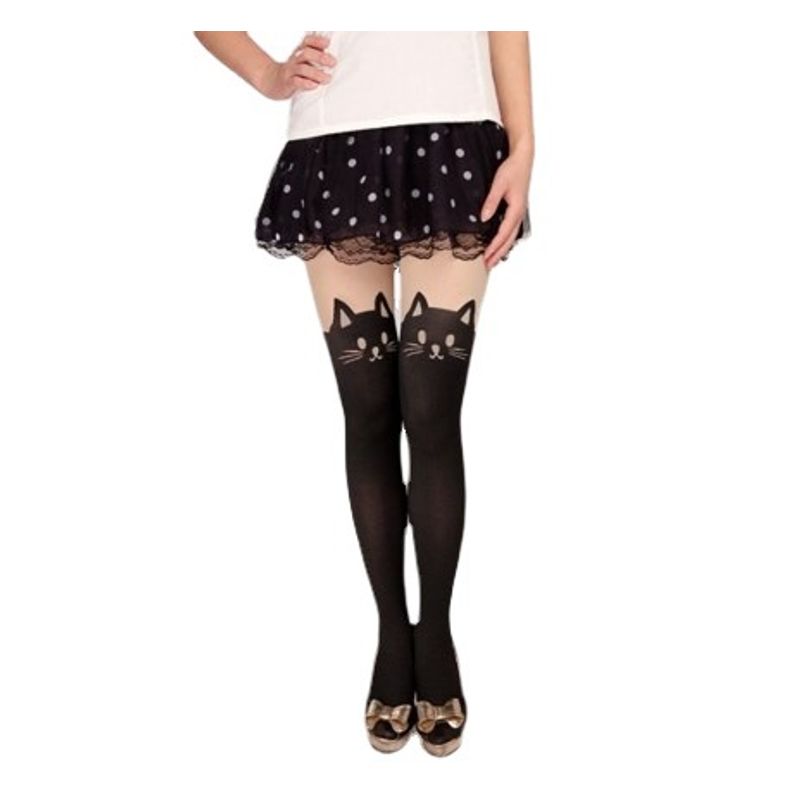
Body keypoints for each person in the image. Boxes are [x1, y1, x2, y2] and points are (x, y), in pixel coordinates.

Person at [193, 30, 534, 756]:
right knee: (370, 413)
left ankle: (434, 634)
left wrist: (524, 143)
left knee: (432, 414)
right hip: (334, 139)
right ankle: (391, 633)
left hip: (455, 133)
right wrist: (267, 74)